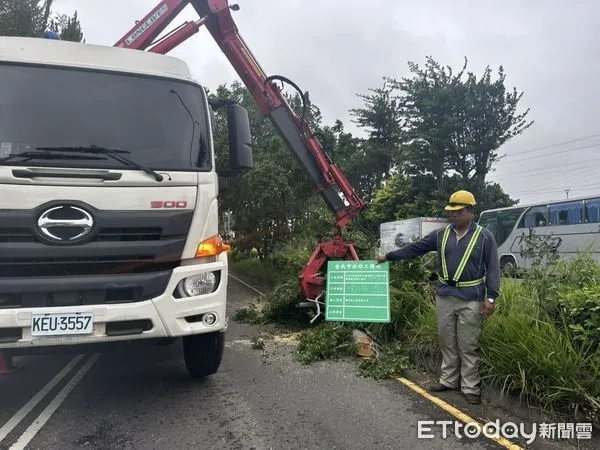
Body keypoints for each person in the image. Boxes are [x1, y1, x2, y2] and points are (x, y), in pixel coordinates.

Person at [376, 190, 500, 405]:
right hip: (445, 295)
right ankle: (448, 380)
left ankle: (470, 386)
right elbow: (415, 249)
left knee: (468, 344)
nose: (454, 216)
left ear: (470, 211)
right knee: (447, 340)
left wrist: (491, 298)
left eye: (458, 212)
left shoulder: (484, 236)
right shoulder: (441, 235)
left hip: (471, 297)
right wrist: (389, 256)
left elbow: (493, 268)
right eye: (451, 213)